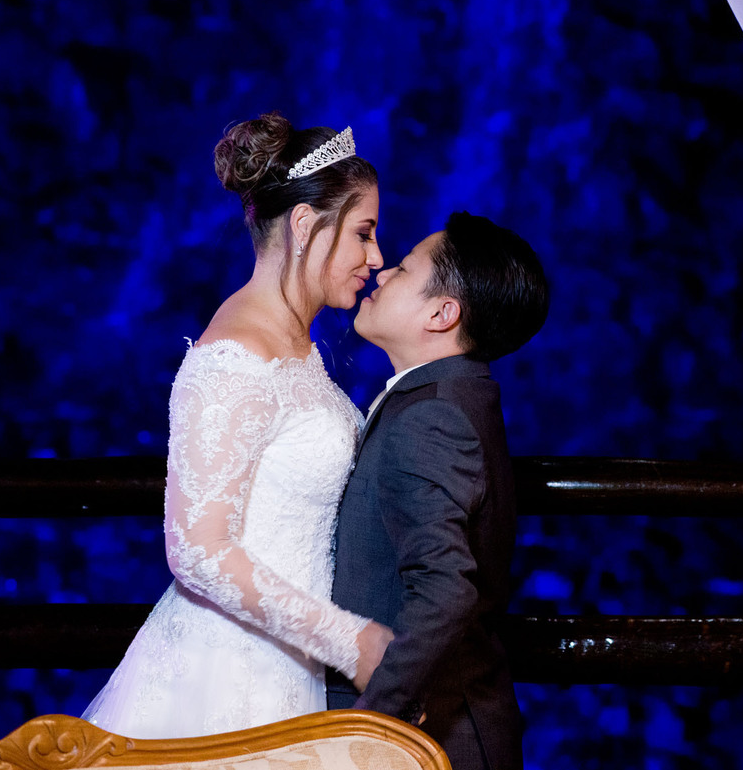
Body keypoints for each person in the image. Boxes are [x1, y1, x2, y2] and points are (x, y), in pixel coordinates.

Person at [83, 112, 394, 738]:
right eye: (363, 233)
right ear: (304, 225)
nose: (376, 256)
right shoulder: (234, 356)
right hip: (228, 670)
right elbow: (197, 549)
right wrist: (350, 640)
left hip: (287, 662)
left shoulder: (294, 342)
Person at [328, 212, 549, 770]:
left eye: (403, 269)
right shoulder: (461, 395)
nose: (381, 273)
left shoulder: (433, 417)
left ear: (441, 314)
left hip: (436, 740)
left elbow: (446, 589)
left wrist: (372, 724)